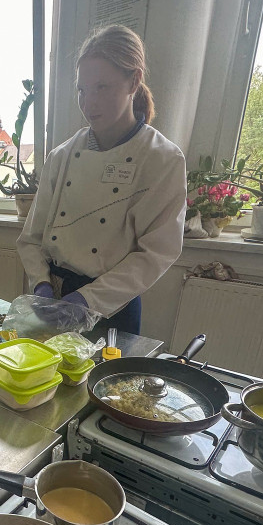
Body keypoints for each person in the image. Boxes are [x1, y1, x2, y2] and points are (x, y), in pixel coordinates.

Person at [16, 25, 186, 335]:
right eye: (82, 90)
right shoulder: (62, 156)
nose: (89, 102)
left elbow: (156, 253)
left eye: (102, 88)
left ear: (133, 80)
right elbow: (32, 238)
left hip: (111, 310)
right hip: (53, 299)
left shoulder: (162, 159)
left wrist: (85, 300)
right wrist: (41, 286)